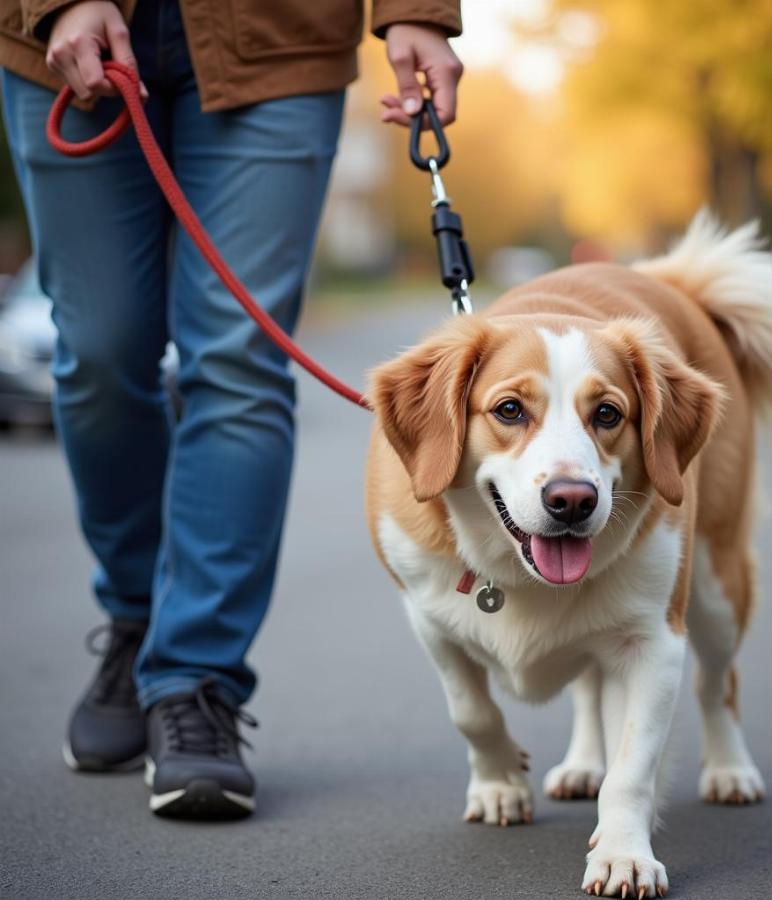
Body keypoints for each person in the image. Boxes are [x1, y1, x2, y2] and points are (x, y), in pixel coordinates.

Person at [0, 0, 463, 820]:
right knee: (100, 355)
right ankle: (137, 617)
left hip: (277, 37)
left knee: (241, 359)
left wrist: (415, 11)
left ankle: (194, 678)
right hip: (60, 42)